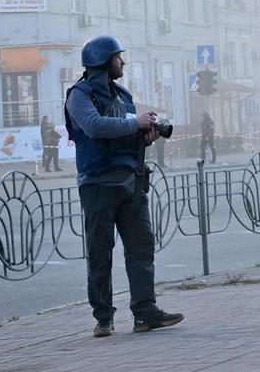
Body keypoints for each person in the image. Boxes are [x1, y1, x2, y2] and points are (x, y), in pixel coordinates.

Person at [64, 35, 185, 337]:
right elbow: (94, 126)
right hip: (98, 184)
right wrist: (135, 123)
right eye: (119, 57)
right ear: (105, 61)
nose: (123, 62)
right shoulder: (79, 95)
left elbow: (124, 132)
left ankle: (145, 312)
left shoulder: (122, 94)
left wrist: (145, 136)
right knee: (100, 252)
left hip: (130, 182)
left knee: (142, 247)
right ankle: (103, 318)